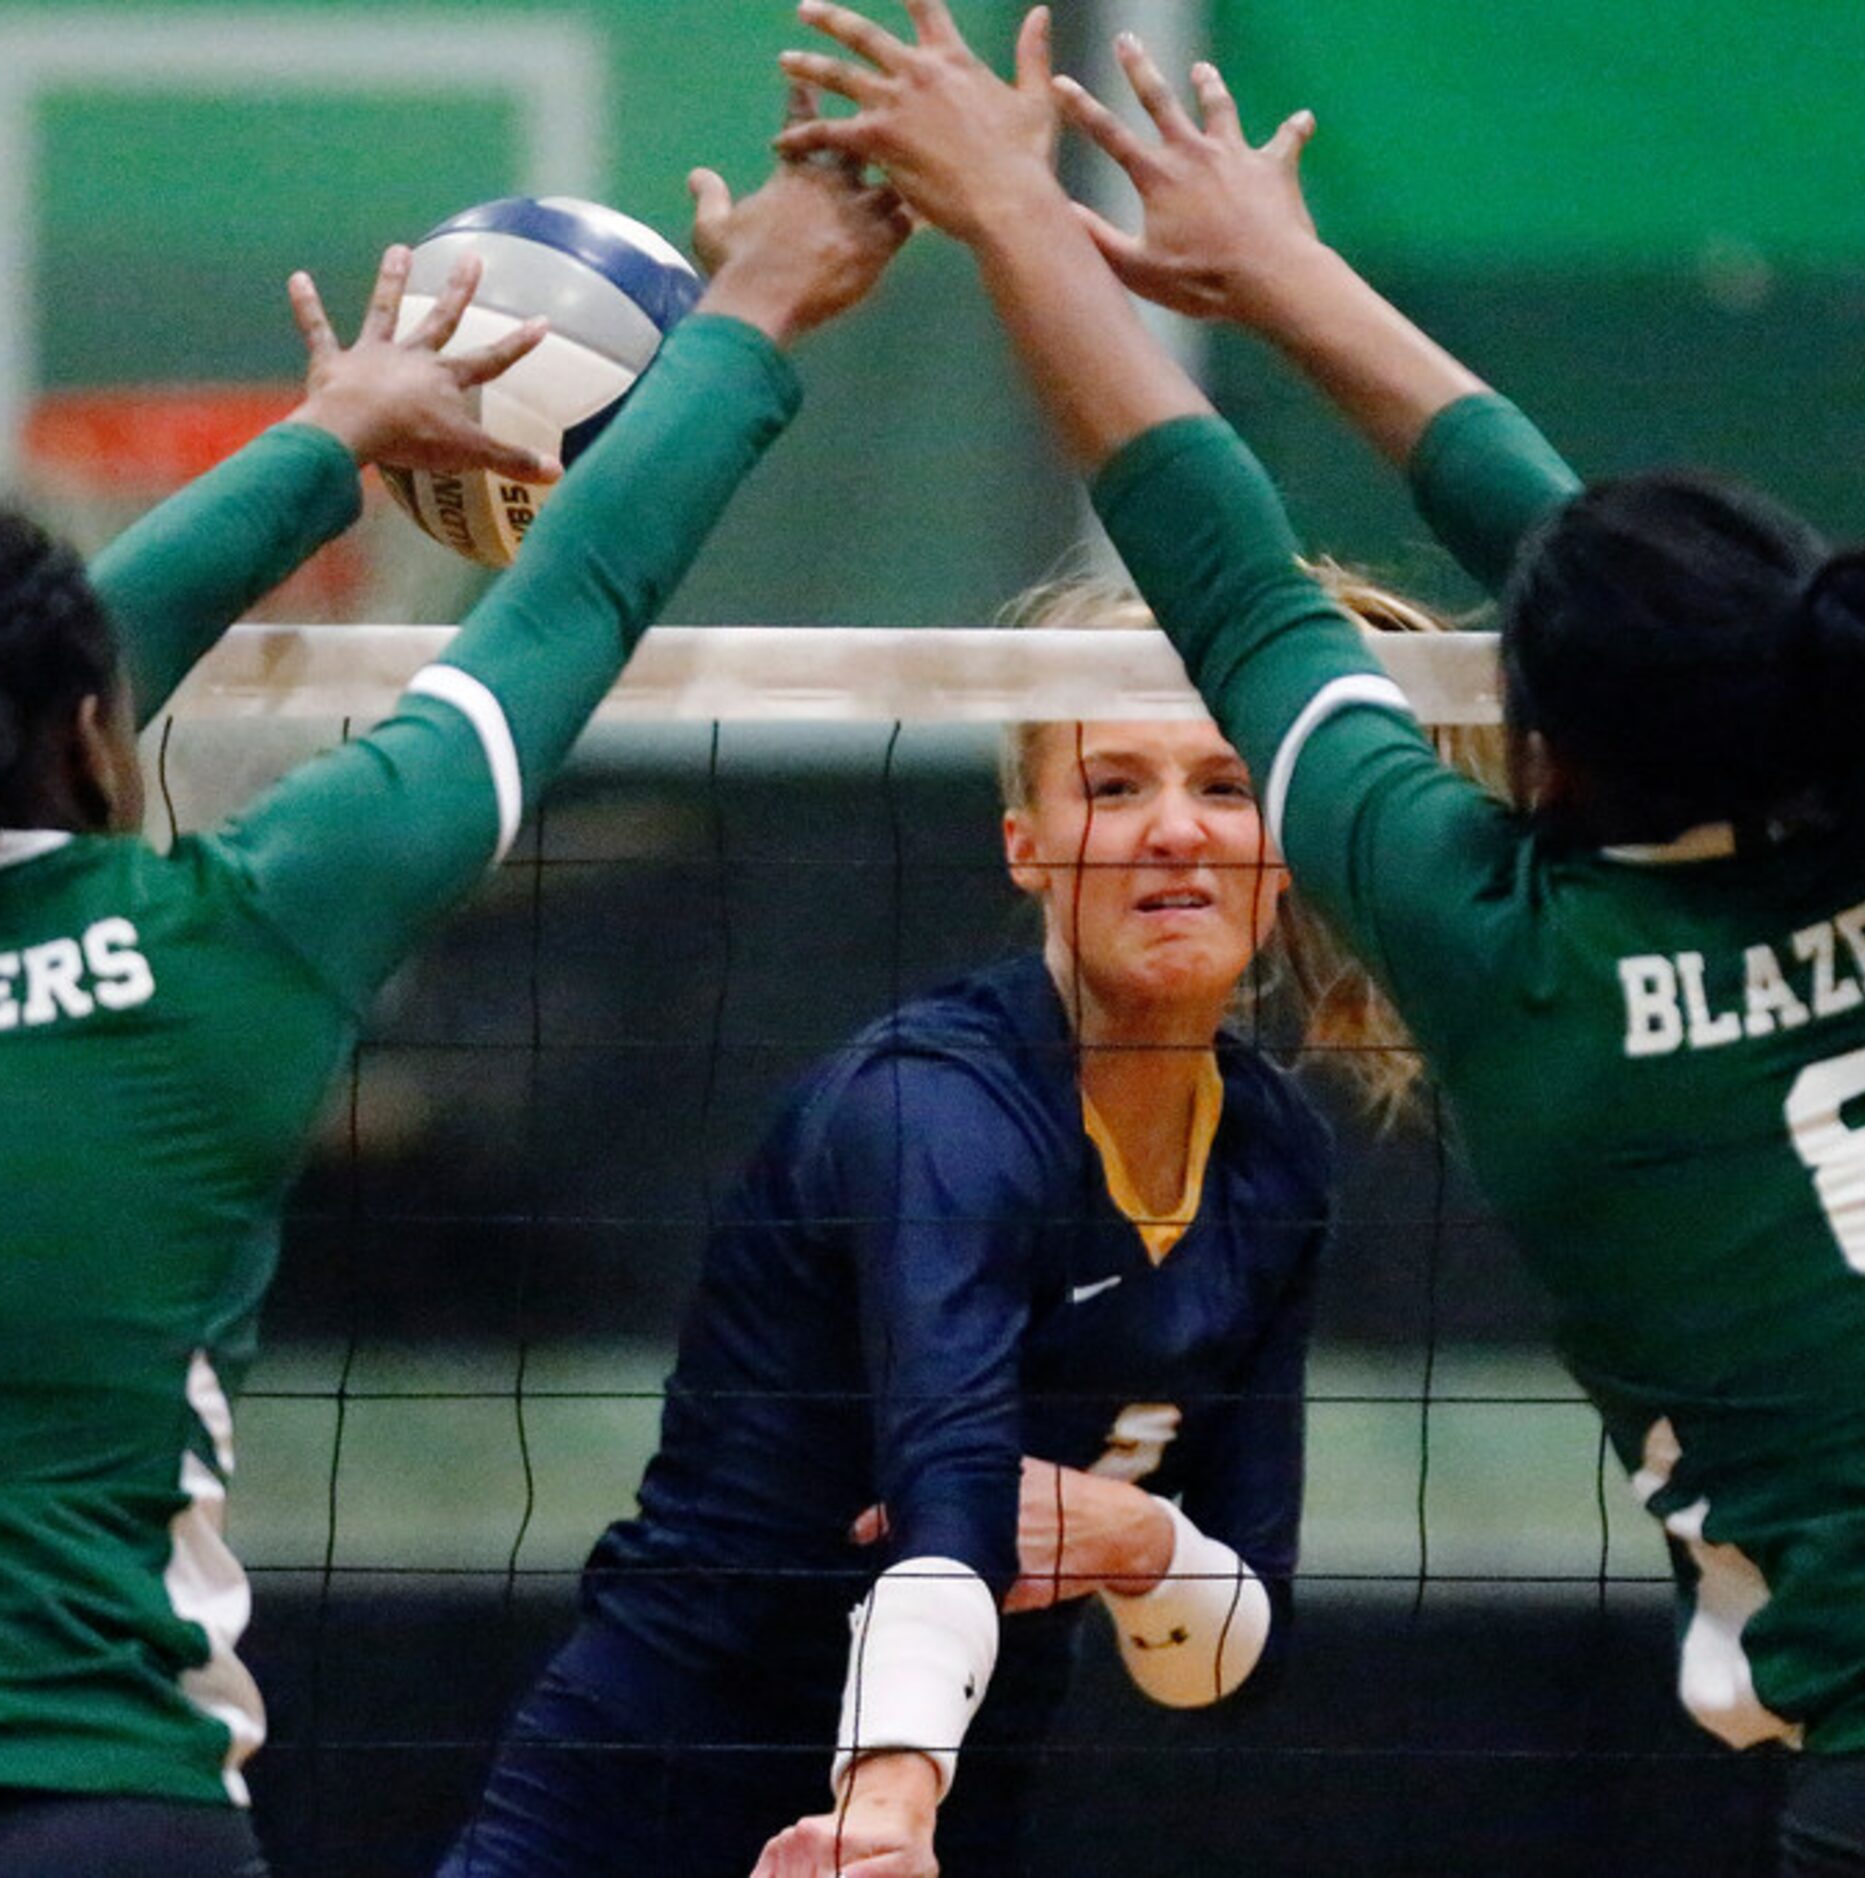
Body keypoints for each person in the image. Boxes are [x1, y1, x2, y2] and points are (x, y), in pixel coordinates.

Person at [775, 5, 1865, 1873]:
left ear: (1545, 743)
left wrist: (1019, 215)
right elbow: (1610, 559)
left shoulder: (1514, 964)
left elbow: (1216, 555)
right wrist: (1288, 275)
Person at [0, 141, 908, 1878]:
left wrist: (334, 433)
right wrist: (757, 305)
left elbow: (7, 686)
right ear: (98, 732)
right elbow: (575, 599)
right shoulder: (223, 941)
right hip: (72, 1799)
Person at [442, 560, 1485, 1878]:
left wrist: (1141, 1540)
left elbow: (1231, 1650)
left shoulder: (1274, 1162)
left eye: (1223, 784)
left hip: (951, 1806)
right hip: (654, 1791)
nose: (1176, 829)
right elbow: (951, 1501)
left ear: (1283, 844)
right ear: (1026, 842)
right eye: (1115, 785)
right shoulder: (935, 1110)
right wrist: (883, 1807)